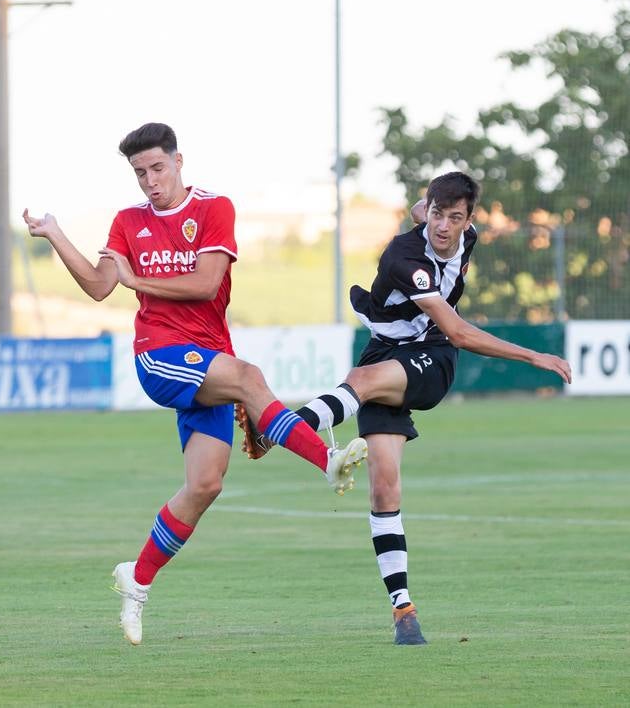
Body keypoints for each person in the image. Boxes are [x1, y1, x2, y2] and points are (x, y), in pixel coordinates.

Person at [22, 122, 366, 646]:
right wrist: (54, 232)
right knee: (249, 377)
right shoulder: (128, 222)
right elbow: (98, 286)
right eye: (140, 173)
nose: (150, 182)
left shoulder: (213, 209)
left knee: (205, 485)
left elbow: (206, 284)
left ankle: (135, 580)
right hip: (158, 356)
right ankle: (327, 461)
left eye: (157, 168)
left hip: (206, 356)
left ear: (179, 162)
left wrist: (138, 281)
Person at [237, 171, 572, 645]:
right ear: (428, 210)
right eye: (436, 214)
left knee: (361, 381)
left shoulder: (461, 235)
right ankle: (404, 611)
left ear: (468, 219)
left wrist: (533, 355)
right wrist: (426, 209)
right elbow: (421, 220)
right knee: (383, 487)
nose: (442, 226)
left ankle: (275, 428)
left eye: (454, 218)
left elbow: (457, 334)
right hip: (388, 351)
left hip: (434, 356)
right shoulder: (405, 256)